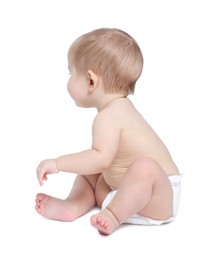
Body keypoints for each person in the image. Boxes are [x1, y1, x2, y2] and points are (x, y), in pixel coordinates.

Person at [35, 28, 182, 235]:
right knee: (90, 170)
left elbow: (101, 159)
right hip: (125, 191)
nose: (68, 79)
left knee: (142, 167)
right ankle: (72, 205)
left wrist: (58, 163)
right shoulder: (119, 108)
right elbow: (101, 162)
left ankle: (113, 215)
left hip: (158, 195)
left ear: (91, 81)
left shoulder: (108, 118)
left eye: (71, 73)